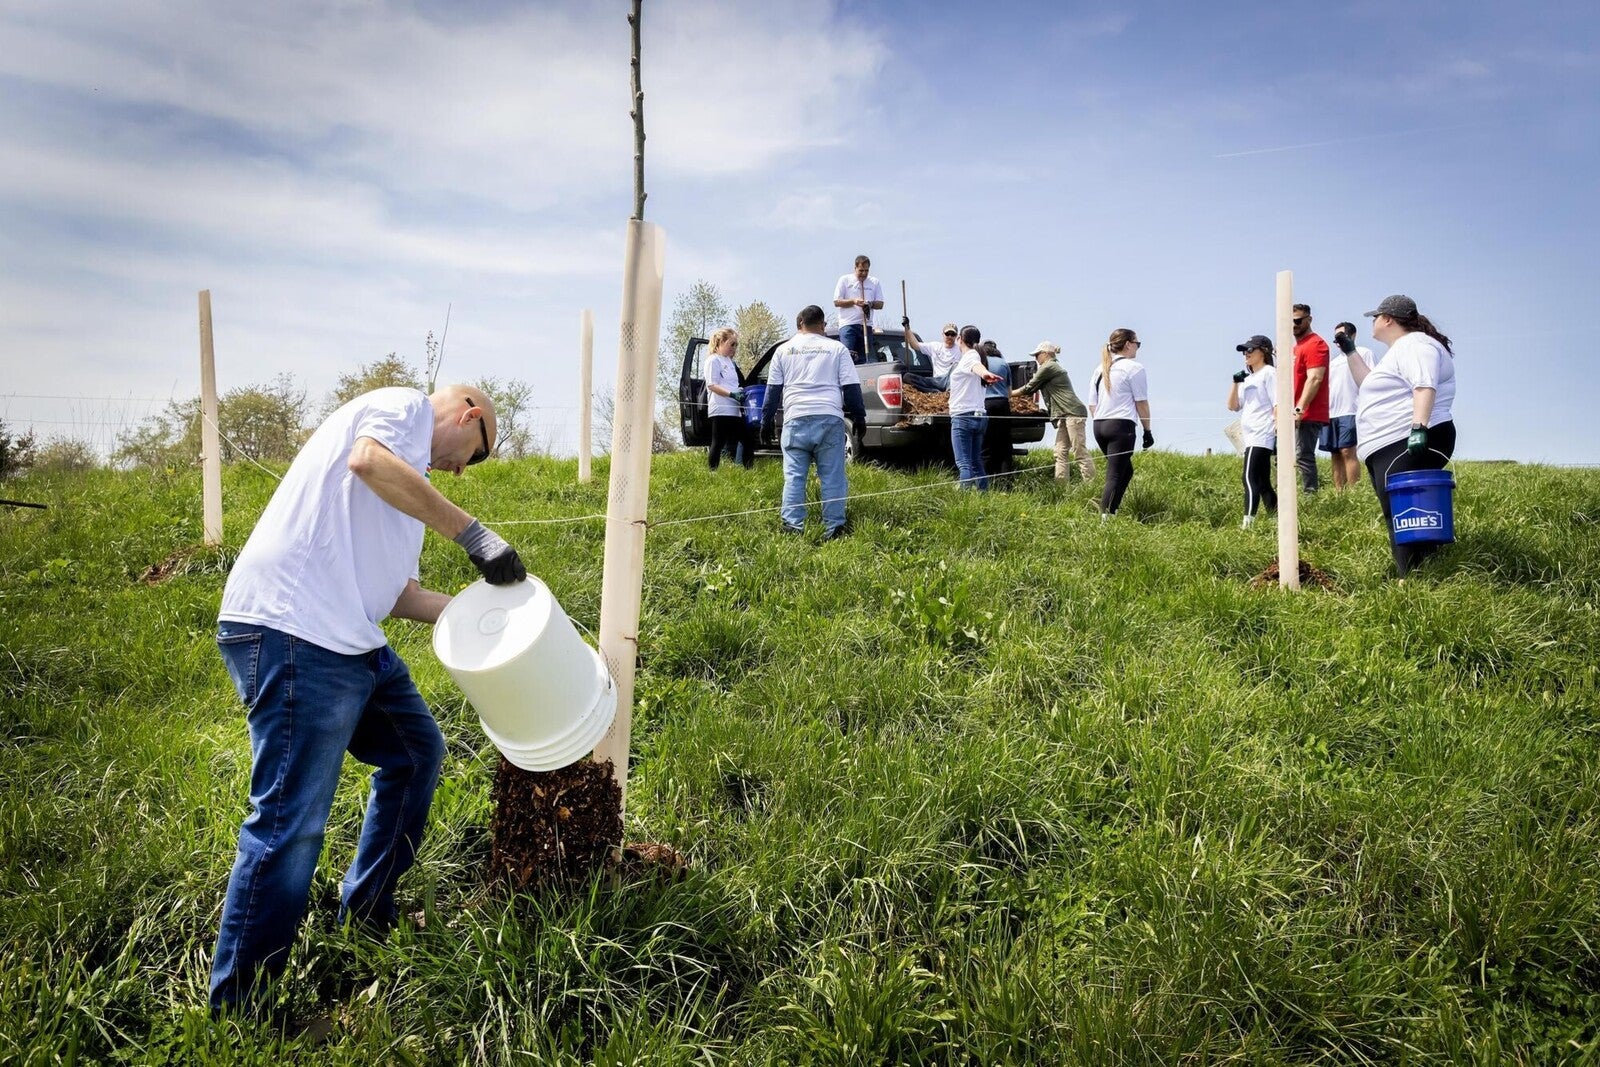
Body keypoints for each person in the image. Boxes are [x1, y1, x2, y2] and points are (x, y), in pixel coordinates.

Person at [210, 384, 527, 1015]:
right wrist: (473, 535)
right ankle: (241, 1011)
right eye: (475, 452)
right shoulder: (402, 407)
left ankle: (367, 913)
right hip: (295, 629)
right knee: (290, 822)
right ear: (469, 414)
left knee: (416, 754)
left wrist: (500, 609)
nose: (463, 469)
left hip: (351, 637)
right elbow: (367, 462)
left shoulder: (407, 498)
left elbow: (400, 598)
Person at [1349, 294, 1458, 578]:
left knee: (1403, 514)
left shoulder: (1415, 344)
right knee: (1400, 511)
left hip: (1406, 438)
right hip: (1388, 443)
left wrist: (1419, 428)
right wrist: (1349, 352)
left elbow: (1424, 385)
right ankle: (1423, 573)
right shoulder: (1399, 351)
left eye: (1375, 317)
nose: (1372, 322)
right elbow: (1367, 383)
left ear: (1388, 319)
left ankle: (1410, 581)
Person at [761, 305, 868, 539]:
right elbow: (851, 388)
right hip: (829, 417)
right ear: (822, 325)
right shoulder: (837, 348)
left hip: (795, 418)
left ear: (799, 325)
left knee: (794, 476)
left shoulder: (783, 350)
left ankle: (792, 527)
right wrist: (859, 417)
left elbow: (772, 391)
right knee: (833, 476)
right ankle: (834, 526)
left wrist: (765, 421)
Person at [1088, 328, 1153, 519]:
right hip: (1120, 425)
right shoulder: (1134, 368)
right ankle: (1105, 521)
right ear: (1127, 344)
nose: (1137, 349)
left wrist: (1102, 419)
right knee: (1115, 475)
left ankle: (1112, 512)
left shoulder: (1100, 368)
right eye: (1137, 344)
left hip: (1099, 425)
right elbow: (1141, 402)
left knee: (1126, 471)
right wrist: (1147, 431)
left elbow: (1092, 404)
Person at [1012, 341, 1093, 484]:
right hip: (1064, 414)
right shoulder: (1050, 367)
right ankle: (1061, 488)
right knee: (1060, 452)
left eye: (1037, 355)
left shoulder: (1049, 366)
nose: (1036, 359)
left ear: (1045, 354)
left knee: (1079, 450)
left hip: (1072, 412)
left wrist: (1009, 394)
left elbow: (1029, 387)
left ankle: (1092, 484)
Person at [1227, 335, 1278, 528]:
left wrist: (1277, 429)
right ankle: (1276, 521)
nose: (1245, 354)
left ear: (1263, 351)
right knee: (1263, 482)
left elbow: (1277, 403)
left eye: (1249, 350)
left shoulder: (1269, 373)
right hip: (1248, 436)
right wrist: (1235, 383)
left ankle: (1248, 524)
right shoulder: (1248, 379)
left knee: (1248, 477)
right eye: (1244, 351)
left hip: (1261, 433)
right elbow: (1233, 406)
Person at [1323, 320, 1375, 490]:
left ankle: (1354, 492)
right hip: (1331, 413)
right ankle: (1339, 493)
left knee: (1347, 451)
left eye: (1342, 336)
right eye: (1336, 338)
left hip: (1351, 410)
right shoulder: (1333, 362)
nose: (1338, 341)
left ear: (1353, 335)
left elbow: (1371, 380)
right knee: (1335, 453)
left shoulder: (1363, 353)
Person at [948, 325, 1001, 490]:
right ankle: (982, 495)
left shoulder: (969, 357)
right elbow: (978, 367)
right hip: (979, 417)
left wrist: (985, 374)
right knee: (976, 461)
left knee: (964, 463)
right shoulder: (979, 356)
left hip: (963, 416)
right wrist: (985, 373)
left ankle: (964, 500)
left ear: (960, 340)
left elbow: (976, 367)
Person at [1290, 303, 1330, 495]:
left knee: (1303, 455)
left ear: (1309, 319)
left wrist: (1299, 409)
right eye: (1289, 322)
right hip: (1292, 411)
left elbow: (1315, 378)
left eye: (1297, 321)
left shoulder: (1316, 344)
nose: (1293, 325)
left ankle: (1310, 495)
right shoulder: (1295, 348)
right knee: (1286, 456)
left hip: (1307, 412)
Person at [704, 327, 753, 471]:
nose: (734, 348)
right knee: (718, 442)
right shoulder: (713, 360)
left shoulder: (730, 362)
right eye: (732, 344)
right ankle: (712, 473)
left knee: (748, 440)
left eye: (736, 345)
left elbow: (733, 384)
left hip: (734, 409)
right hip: (720, 408)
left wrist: (740, 392)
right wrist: (731, 394)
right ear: (720, 342)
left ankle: (749, 472)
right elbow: (712, 385)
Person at [831, 255, 883, 364]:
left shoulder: (874, 282)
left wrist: (869, 304)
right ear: (855, 268)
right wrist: (854, 301)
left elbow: (880, 304)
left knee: (866, 359)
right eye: (861, 270)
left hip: (866, 325)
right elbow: (837, 301)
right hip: (848, 325)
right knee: (847, 357)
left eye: (866, 271)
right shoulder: (845, 280)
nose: (864, 274)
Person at [979, 340, 1014, 484]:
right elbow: (1010, 392)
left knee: (985, 443)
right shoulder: (1003, 363)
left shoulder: (980, 363)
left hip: (985, 404)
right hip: (1002, 404)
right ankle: (1006, 481)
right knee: (1004, 444)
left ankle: (986, 481)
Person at [900, 320, 961, 393]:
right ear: (943, 334)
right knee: (907, 377)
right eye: (947, 334)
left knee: (956, 366)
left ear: (956, 336)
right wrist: (907, 328)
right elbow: (915, 345)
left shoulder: (961, 350)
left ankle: (948, 392)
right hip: (936, 381)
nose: (950, 336)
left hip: (951, 381)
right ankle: (934, 392)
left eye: (952, 334)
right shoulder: (935, 346)